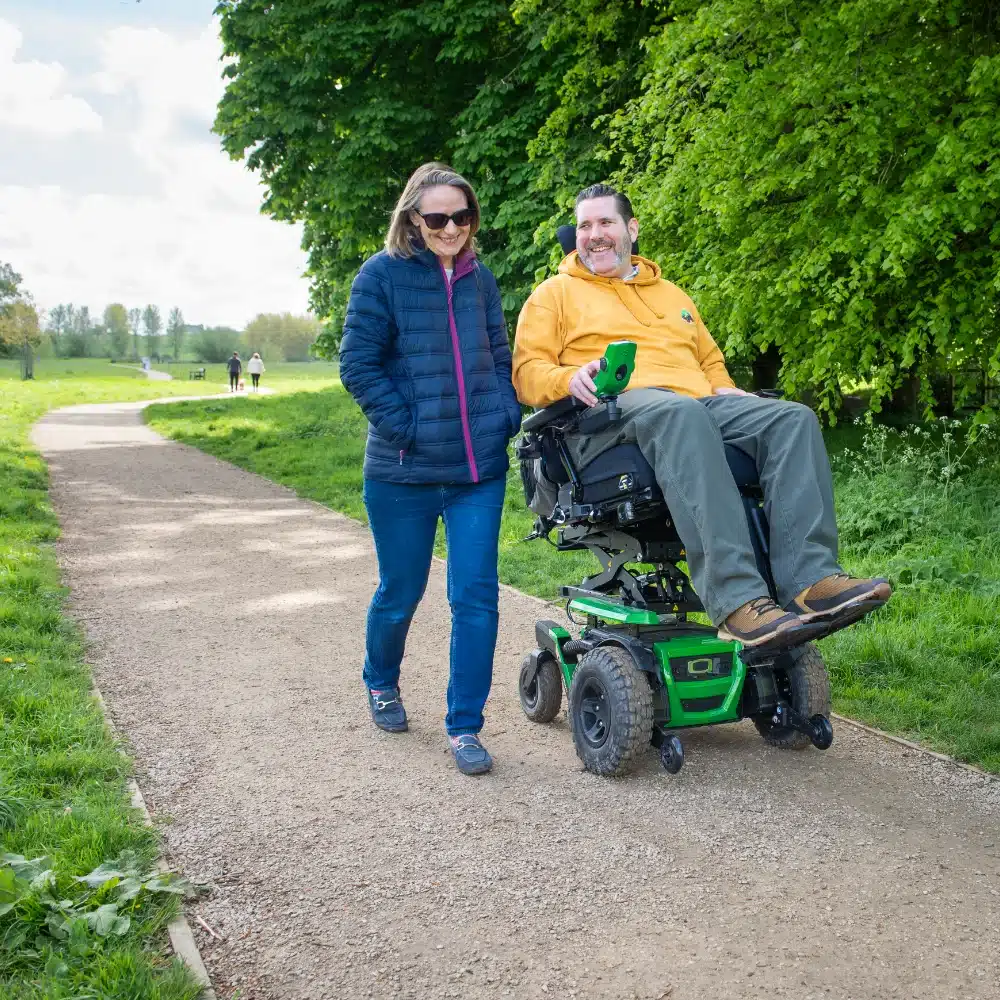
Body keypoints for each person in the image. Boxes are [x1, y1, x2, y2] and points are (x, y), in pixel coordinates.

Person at [512, 183, 891, 651]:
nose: (594, 235)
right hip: (604, 416)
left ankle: (811, 581)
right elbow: (526, 373)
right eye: (584, 225)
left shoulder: (671, 295)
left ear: (632, 229)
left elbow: (709, 362)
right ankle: (738, 602)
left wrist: (728, 389)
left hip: (690, 405)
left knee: (790, 419)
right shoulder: (553, 294)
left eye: (605, 222)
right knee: (682, 413)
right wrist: (568, 378)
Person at [338, 162, 522, 775]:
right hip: (402, 473)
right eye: (438, 217)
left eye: (462, 216)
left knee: (476, 596)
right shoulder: (381, 275)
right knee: (401, 592)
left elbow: (500, 356)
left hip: (477, 471)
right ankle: (380, 679)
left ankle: (465, 726)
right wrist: (409, 430)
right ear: (414, 218)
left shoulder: (480, 279)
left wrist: (503, 415)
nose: (451, 228)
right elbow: (358, 366)